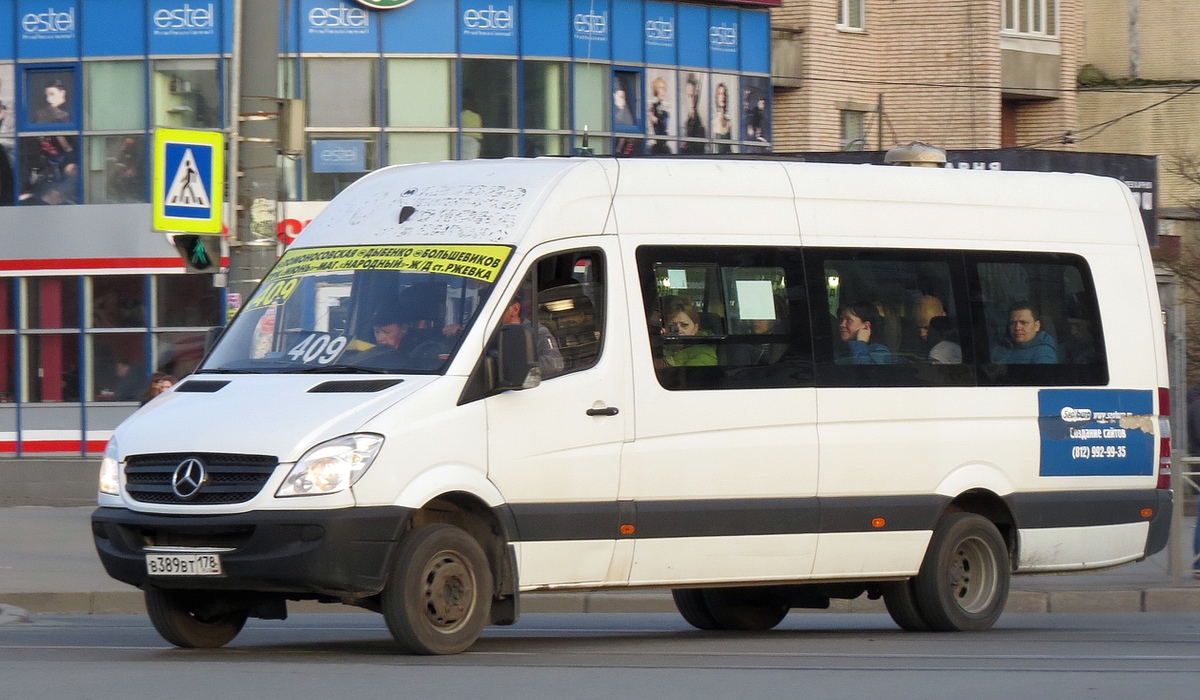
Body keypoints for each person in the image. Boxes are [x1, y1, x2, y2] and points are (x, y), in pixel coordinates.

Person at [502, 295, 563, 377]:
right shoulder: (490, 333)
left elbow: (554, 363)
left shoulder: (538, 332)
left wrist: (520, 365)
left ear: (515, 309)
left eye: (497, 310)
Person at [991, 301, 1057, 364]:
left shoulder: (1044, 353)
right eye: (1012, 323)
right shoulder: (1002, 346)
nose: (1017, 328)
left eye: (1023, 322)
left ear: (1036, 326)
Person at [681, 73, 706, 154]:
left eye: (694, 96)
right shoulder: (684, 122)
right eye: (689, 96)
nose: (692, 101)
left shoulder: (700, 126)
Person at [647, 76, 672, 154]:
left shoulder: (664, 108)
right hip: (655, 146)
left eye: (664, 89)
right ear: (656, 90)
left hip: (663, 144)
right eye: (661, 88)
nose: (663, 91)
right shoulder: (653, 107)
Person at [711, 82, 733, 153]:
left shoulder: (729, 122)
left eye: (724, 94)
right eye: (720, 94)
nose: (722, 97)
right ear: (716, 97)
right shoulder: (713, 122)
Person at [461, 94, 483, 160]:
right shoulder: (476, 116)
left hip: (461, 139)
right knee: (471, 161)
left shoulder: (459, 116)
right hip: (474, 140)